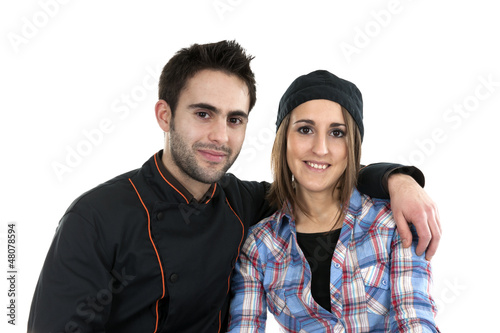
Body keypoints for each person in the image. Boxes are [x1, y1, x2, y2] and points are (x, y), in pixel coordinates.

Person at [27, 41, 440, 333]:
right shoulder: (96, 217)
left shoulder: (244, 205)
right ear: (164, 115)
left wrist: (396, 179)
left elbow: (317, 179)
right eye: (203, 113)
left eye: (235, 119)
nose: (220, 137)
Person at [227, 70, 440, 332]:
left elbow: (415, 319)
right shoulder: (260, 246)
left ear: (353, 146)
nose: (321, 148)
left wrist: (402, 180)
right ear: (284, 140)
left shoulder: (392, 222)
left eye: (337, 133)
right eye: (305, 129)